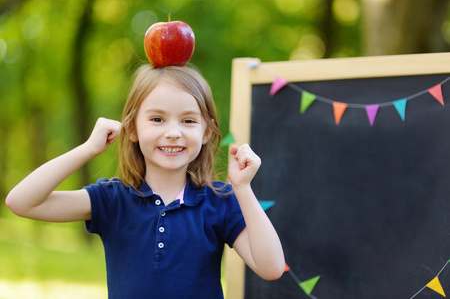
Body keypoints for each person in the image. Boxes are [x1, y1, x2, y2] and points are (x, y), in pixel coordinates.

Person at [6, 64, 285, 298]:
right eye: (157, 119)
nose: (173, 132)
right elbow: (21, 202)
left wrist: (242, 188)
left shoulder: (219, 200)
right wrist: (89, 149)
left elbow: (271, 267)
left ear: (207, 133)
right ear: (132, 129)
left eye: (188, 121)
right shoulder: (112, 200)